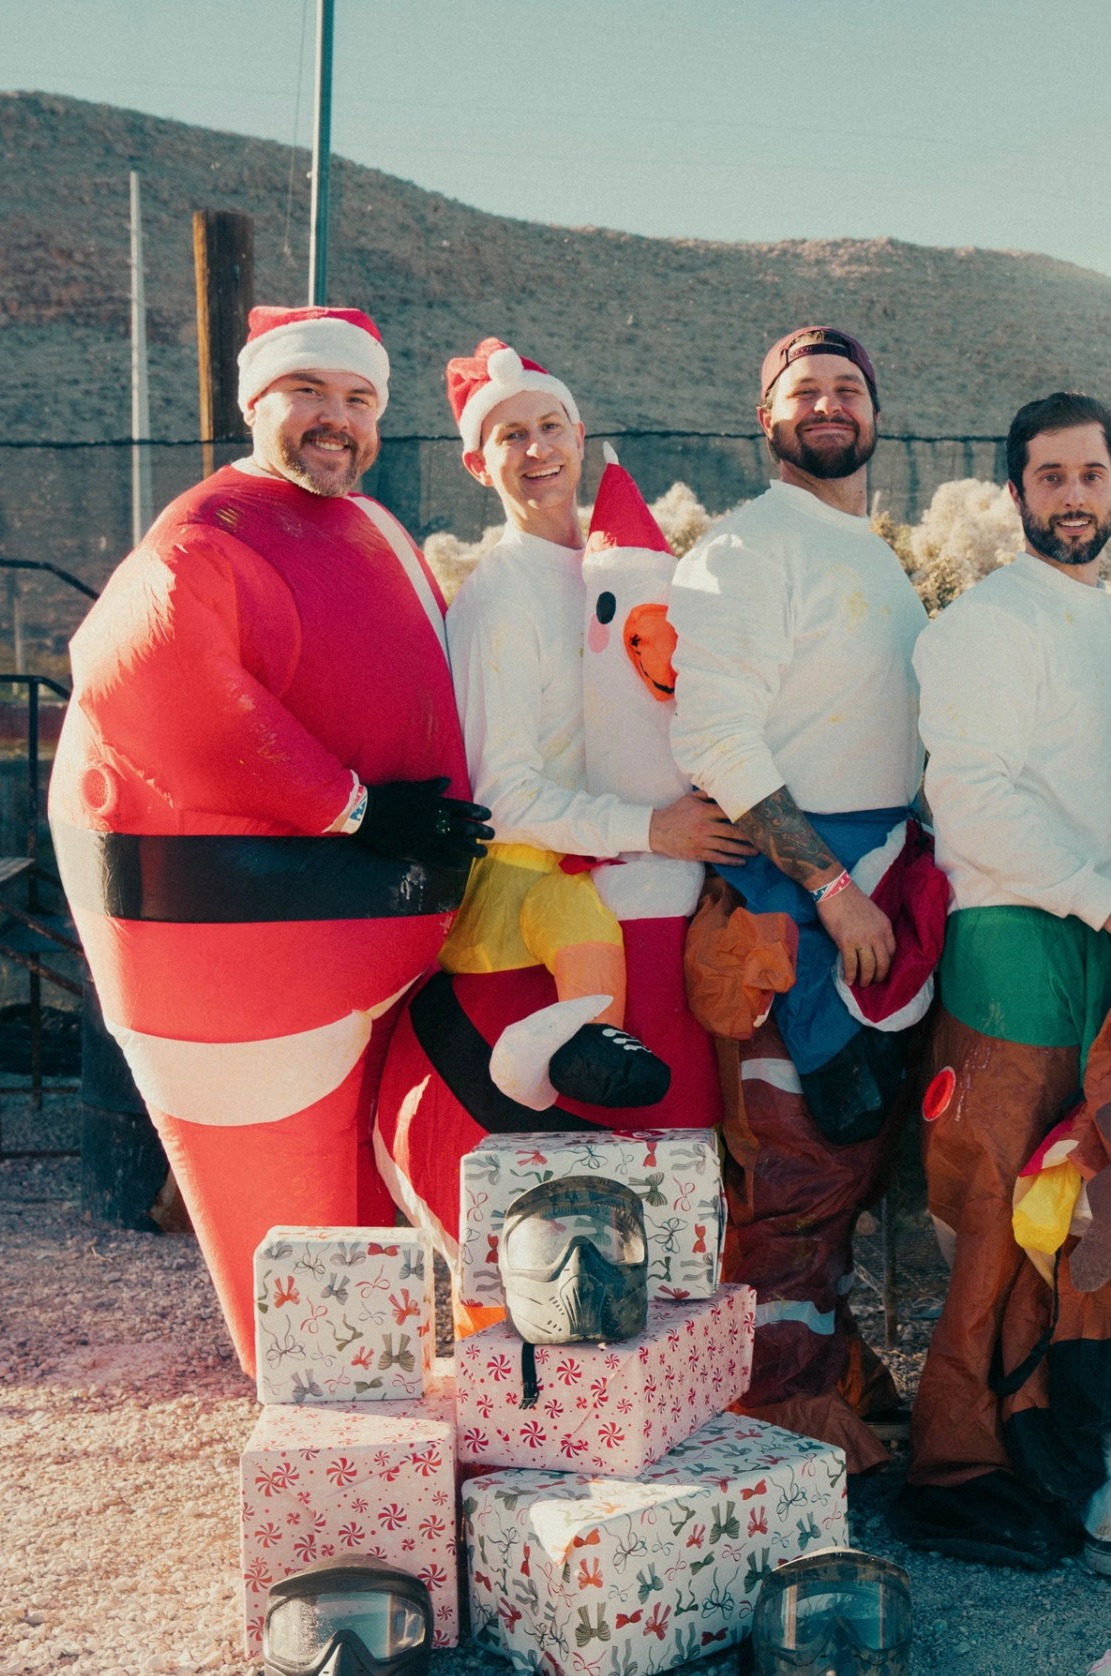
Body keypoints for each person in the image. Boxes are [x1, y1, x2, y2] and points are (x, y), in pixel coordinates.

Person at [51, 305, 491, 1370]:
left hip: (391, 944)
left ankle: (366, 1448)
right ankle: (326, 1457)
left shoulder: (378, 529)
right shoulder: (205, 535)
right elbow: (145, 674)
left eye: (358, 400)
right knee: (295, 1254)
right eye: (309, 395)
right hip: (246, 976)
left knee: (372, 1225)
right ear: (257, 403)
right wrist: (350, 807)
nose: (335, 421)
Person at [898, 392, 1111, 1566]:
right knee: (989, 1209)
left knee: (1063, 1204)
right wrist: (1105, 899)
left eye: (1092, 474)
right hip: (1018, 938)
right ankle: (953, 1468)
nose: (1074, 495)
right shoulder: (984, 621)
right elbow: (974, 796)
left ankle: (1032, 1440)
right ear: (1016, 492)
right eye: (1051, 477)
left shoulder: (1110, 626)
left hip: (1097, 940)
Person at [666, 326, 936, 1469]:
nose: (828, 405)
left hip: (880, 890)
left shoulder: (869, 555)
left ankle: (824, 1382)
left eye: (847, 389)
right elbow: (712, 729)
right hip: (795, 910)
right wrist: (827, 887)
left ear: (875, 414)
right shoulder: (744, 549)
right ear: (765, 418)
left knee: (850, 1166)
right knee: (790, 1172)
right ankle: (772, 1429)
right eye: (803, 391)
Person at [438, 339, 751, 1109]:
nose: (538, 448)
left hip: (663, 882)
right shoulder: (498, 602)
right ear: (479, 464)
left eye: (551, 426)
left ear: (580, 437)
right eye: (511, 436)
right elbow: (502, 799)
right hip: (562, 911)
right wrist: (652, 829)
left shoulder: (627, 566)